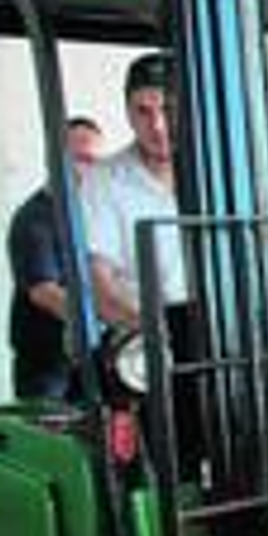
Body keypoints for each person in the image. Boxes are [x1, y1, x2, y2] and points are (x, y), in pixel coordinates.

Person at [82, 51, 182, 331]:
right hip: (141, 345)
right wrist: (148, 333)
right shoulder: (102, 181)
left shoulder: (220, 174)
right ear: (127, 113)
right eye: (143, 112)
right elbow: (98, 280)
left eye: (167, 109)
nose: (158, 126)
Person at [6, 115, 104, 399]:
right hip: (48, 367)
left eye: (94, 161)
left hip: (90, 357)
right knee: (49, 441)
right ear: (53, 160)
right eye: (79, 159)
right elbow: (44, 292)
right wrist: (107, 318)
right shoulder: (33, 219)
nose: (88, 170)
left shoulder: (94, 213)